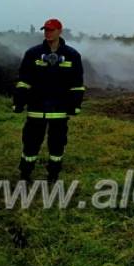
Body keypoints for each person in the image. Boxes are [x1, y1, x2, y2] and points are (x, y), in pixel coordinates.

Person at [13, 18, 85, 182]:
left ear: (60, 31)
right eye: (45, 30)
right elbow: (24, 79)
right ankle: (25, 173)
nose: (47, 33)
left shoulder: (72, 55)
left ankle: (53, 174)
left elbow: (77, 83)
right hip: (36, 107)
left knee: (57, 144)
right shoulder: (33, 53)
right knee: (30, 143)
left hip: (59, 109)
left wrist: (75, 105)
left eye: (51, 30)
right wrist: (19, 102)